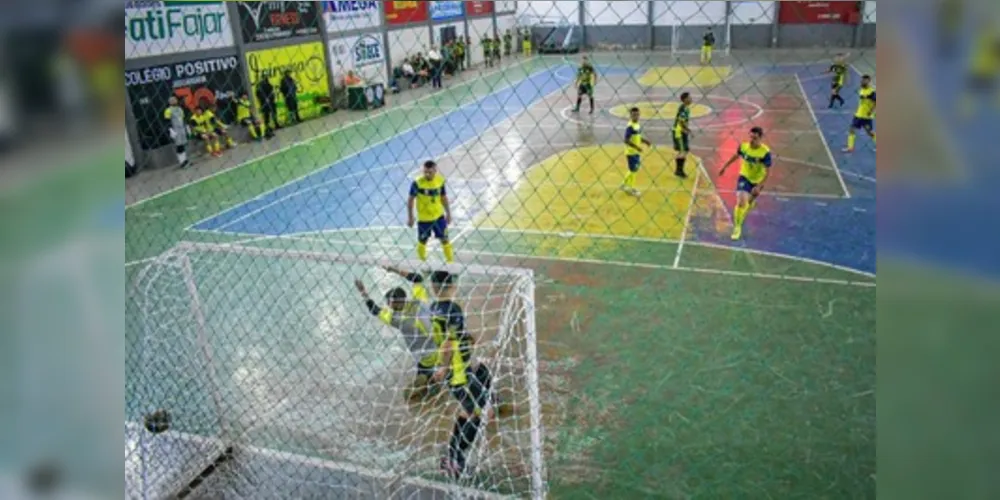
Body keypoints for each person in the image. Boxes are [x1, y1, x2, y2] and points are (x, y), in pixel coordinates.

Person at [428, 270, 511, 479]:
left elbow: (450, 335)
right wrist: (444, 367)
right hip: (459, 372)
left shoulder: (434, 307)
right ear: (452, 285)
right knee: (482, 412)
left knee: (468, 410)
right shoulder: (453, 308)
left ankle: (453, 455)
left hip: (458, 368)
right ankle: (454, 458)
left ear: (433, 287)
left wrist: (466, 337)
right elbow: (448, 342)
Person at [354, 267, 444, 404]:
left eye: (390, 304)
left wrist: (363, 292)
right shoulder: (420, 301)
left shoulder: (397, 319)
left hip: (425, 356)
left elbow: (374, 309)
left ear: (397, 302)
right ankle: (435, 378)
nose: (389, 307)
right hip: (442, 345)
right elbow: (417, 278)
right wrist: (395, 269)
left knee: (424, 374)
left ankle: (431, 383)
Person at [718, 126, 773, 241]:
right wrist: (725, 166)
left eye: (755, 138)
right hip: (744, 177)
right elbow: (736, 156)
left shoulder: (765, 152)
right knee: (741, 202)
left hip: (757, 180)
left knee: (748, 203)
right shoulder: (744, 147)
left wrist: (759, 186)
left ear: (760, 138)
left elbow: (768, 171)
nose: (752, 140)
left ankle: (749, 204)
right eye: (751, 137)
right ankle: (737, 228)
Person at [407, 160, 455, 263]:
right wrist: (410, 217)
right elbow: (410, 200)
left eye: (430, 172)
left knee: (445, 239)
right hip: (424, 219)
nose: (427, 174)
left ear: (435, 170)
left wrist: (448, 214)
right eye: (425, 172)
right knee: (422, 241)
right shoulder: (417, 183)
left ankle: (450, 262)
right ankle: (422, 262)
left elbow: (443, 198)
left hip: (439, 217)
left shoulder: (440, 181)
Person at [621, 107, 652, 197]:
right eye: (634, 115)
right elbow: (626, 140)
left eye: (637, 115)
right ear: (630, 116)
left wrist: (645, 141)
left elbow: (638, 137)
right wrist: (637, 147)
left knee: (633, 169)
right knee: (634, 170)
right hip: (631, 152)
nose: (636, 117)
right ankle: (630, 188)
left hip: (636, 152)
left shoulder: (637, 125)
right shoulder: (630, 127)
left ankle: (624, 184)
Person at [843, 74, 876, 153]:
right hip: (858, 115)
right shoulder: (861, 90)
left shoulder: (872, 92)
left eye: (864, 80)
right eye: (861, 80)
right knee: (852, 129)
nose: (862, 81)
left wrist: (871, 111)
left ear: (868, 81)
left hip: (866, 116)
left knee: (869, 132)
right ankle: (850, 147)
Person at [162, 96, 190, 168]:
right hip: (175, 130)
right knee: (179, 145)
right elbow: (166, 121)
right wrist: (170, 130)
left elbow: (183, 118)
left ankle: (185, 160)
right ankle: (181, 162)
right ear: (169, 102)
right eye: (172, 100)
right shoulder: (168, 110)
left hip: (182, 129)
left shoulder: (180, 109)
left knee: (183, 144)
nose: (174, 101)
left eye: (175, 100)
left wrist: (186, 127)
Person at [672, 91, 694, 178]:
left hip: (682, 131)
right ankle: (679, 170)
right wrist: (687, 130)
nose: (691, 99)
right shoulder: (683, 109)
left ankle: (679, 170)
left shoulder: (686, 108)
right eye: (689, 97)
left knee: (685, 150)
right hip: (679, 132)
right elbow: (681, 122)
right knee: (683, 150)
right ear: (685, 100)